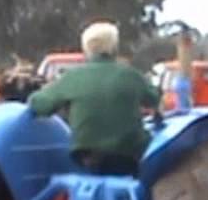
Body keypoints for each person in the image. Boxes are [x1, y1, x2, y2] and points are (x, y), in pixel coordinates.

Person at [27, 21, 160, 176]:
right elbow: (154, 99)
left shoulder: (73, 78)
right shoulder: (131, 76)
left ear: (86, 49)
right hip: (129, 155)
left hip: (87, 157)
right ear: (115, 48)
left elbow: (39, 105)